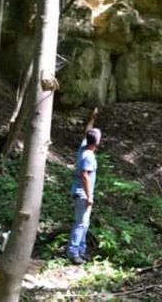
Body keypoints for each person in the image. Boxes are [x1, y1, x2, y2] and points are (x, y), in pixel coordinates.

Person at [67, 108, 101, 265]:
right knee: (80, 223)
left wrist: (93, 117)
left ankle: (81, 249)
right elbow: (85, 176)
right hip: (82, 193)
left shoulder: (83, 148)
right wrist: (89, 196)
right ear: (97, 142)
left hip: (80, 191)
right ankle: (73, 252)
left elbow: (87, 132)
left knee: (85, 223)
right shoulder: (88, 156)